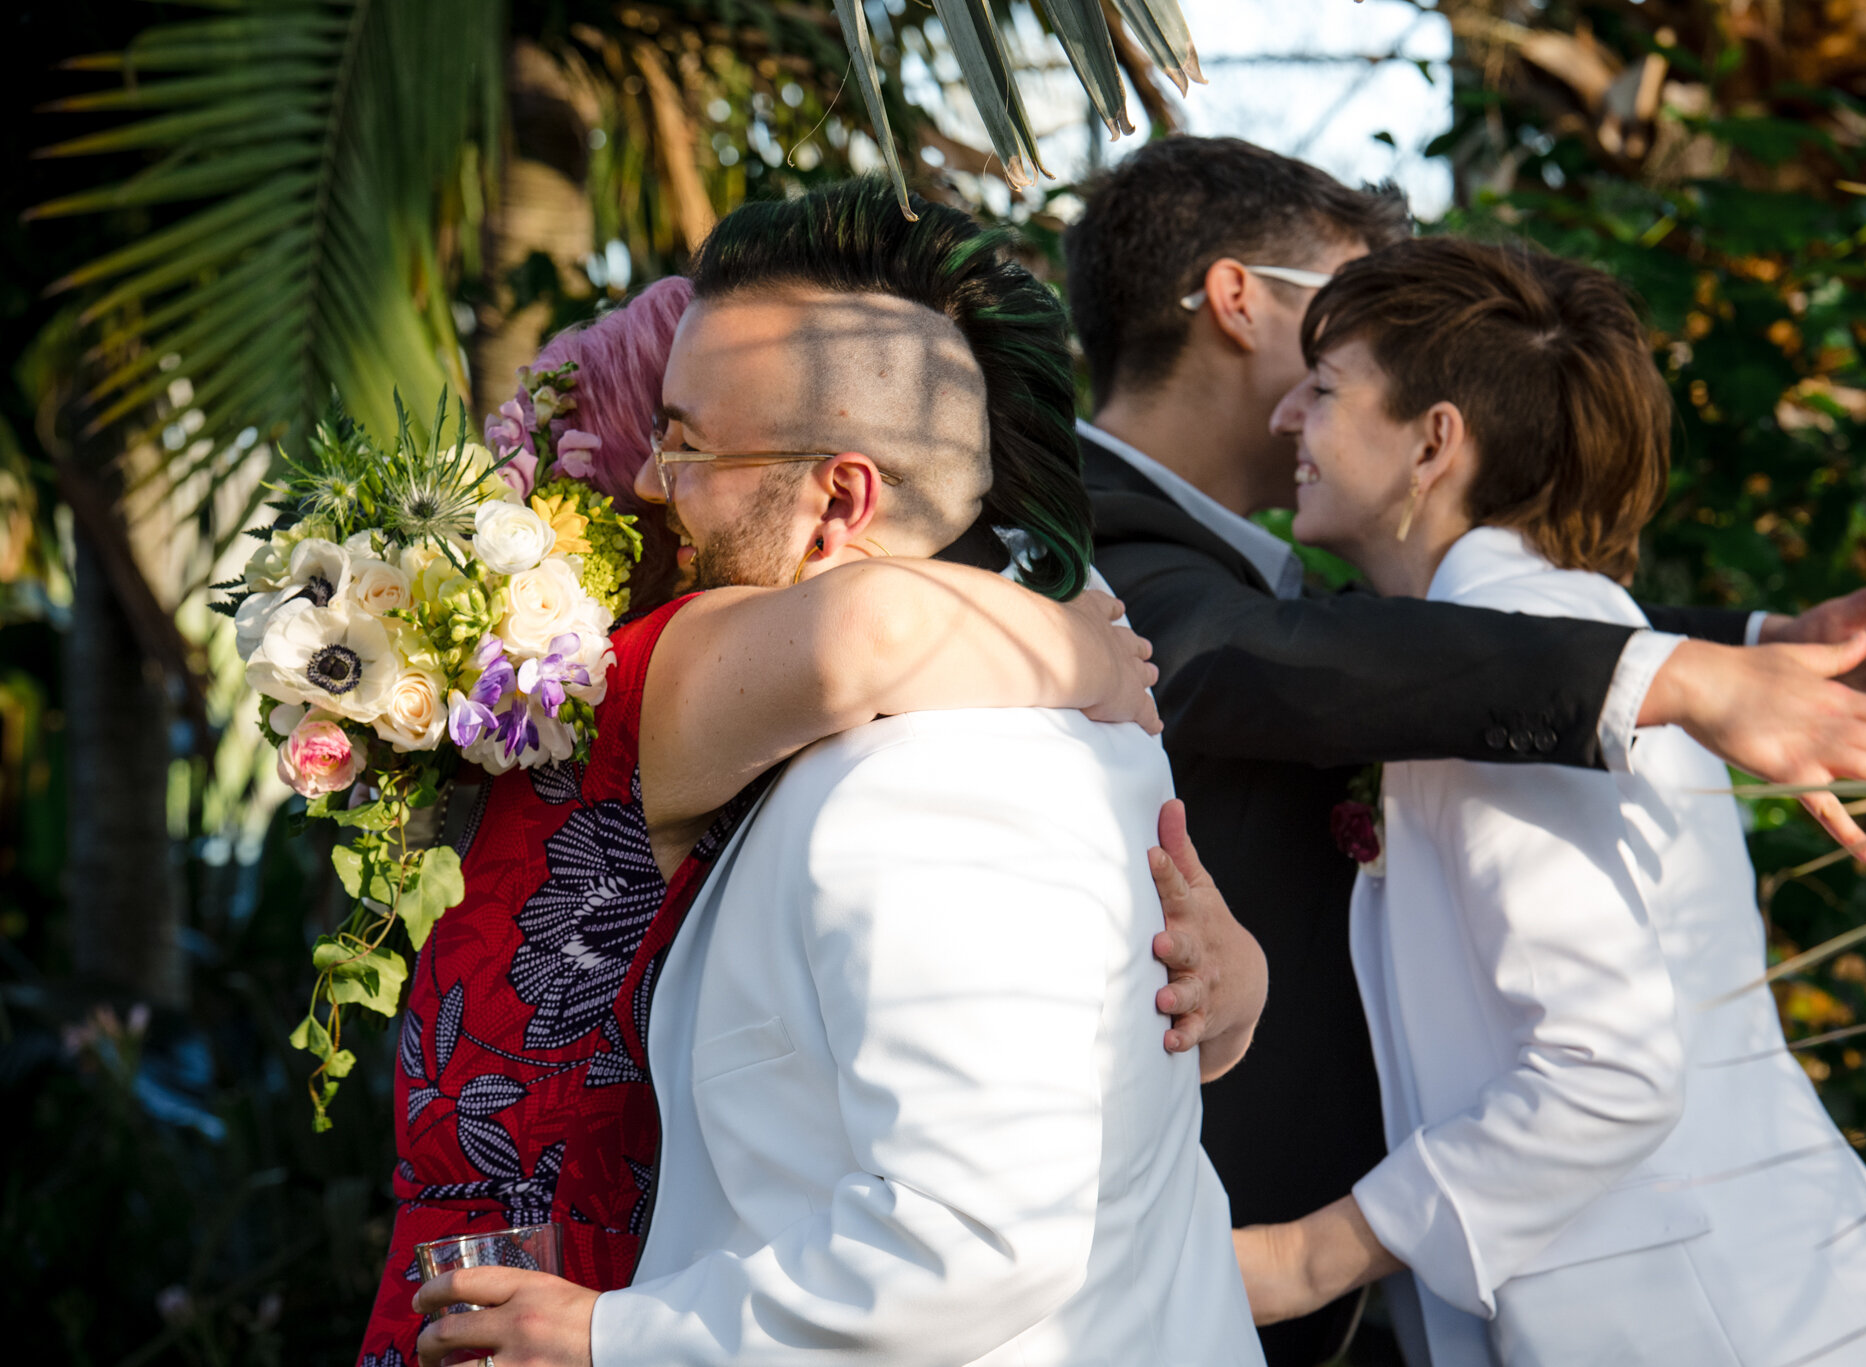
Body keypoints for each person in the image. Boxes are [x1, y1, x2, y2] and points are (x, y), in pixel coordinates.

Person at [1062, 135, 1866, 1363]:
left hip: (1695, 1317)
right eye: (1318, 355)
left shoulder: (1505, 664)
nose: (1300, 404)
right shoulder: (1125, 560)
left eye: (1334, 382)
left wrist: (1307, 1257)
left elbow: (1605, 1069)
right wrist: (1716, 658)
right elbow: (1290, 652)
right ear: (1235, 299)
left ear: (1430, 443)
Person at [357, 215, 1259, 1366]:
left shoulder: (932, 771)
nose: (642, 480)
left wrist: (615, 1336)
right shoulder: (898, 726)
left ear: (839, 501)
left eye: (678, 444)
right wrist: (1078, 637)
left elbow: (976, 1230)